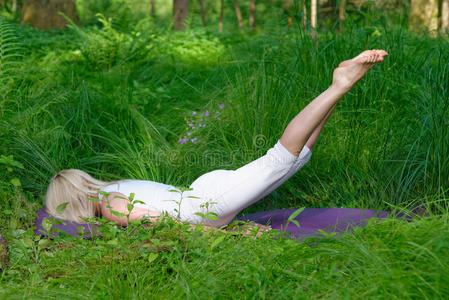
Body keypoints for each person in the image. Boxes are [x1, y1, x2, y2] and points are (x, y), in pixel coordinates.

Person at [44, 50, 388, 232]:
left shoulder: (112, 204)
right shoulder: (119, 185)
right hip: (203, 194)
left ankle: (338, 85)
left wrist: (236, 235)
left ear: (68, 202)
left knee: (280, 158)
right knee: (298, 159)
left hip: (207, 202)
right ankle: (340, 89)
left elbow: (170, 226)